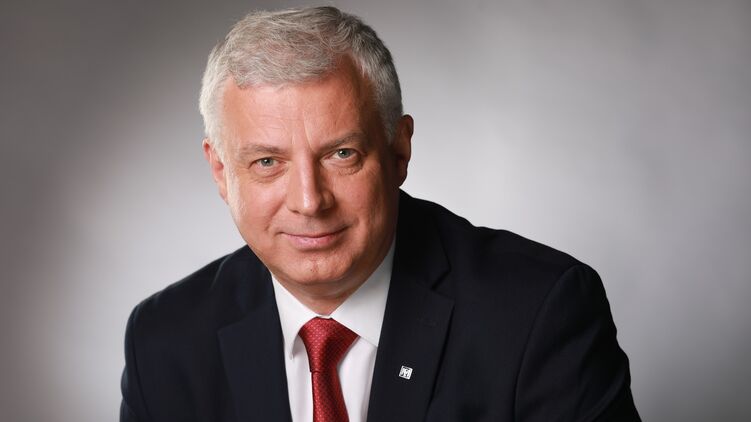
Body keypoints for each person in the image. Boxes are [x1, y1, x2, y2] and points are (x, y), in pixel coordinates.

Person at [120, 6, 640, 422]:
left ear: (398, 150)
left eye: (341, 154)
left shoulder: (538, 314)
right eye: (267, 162)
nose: (309, 201)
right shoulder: (164, 342)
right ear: (220, 171)